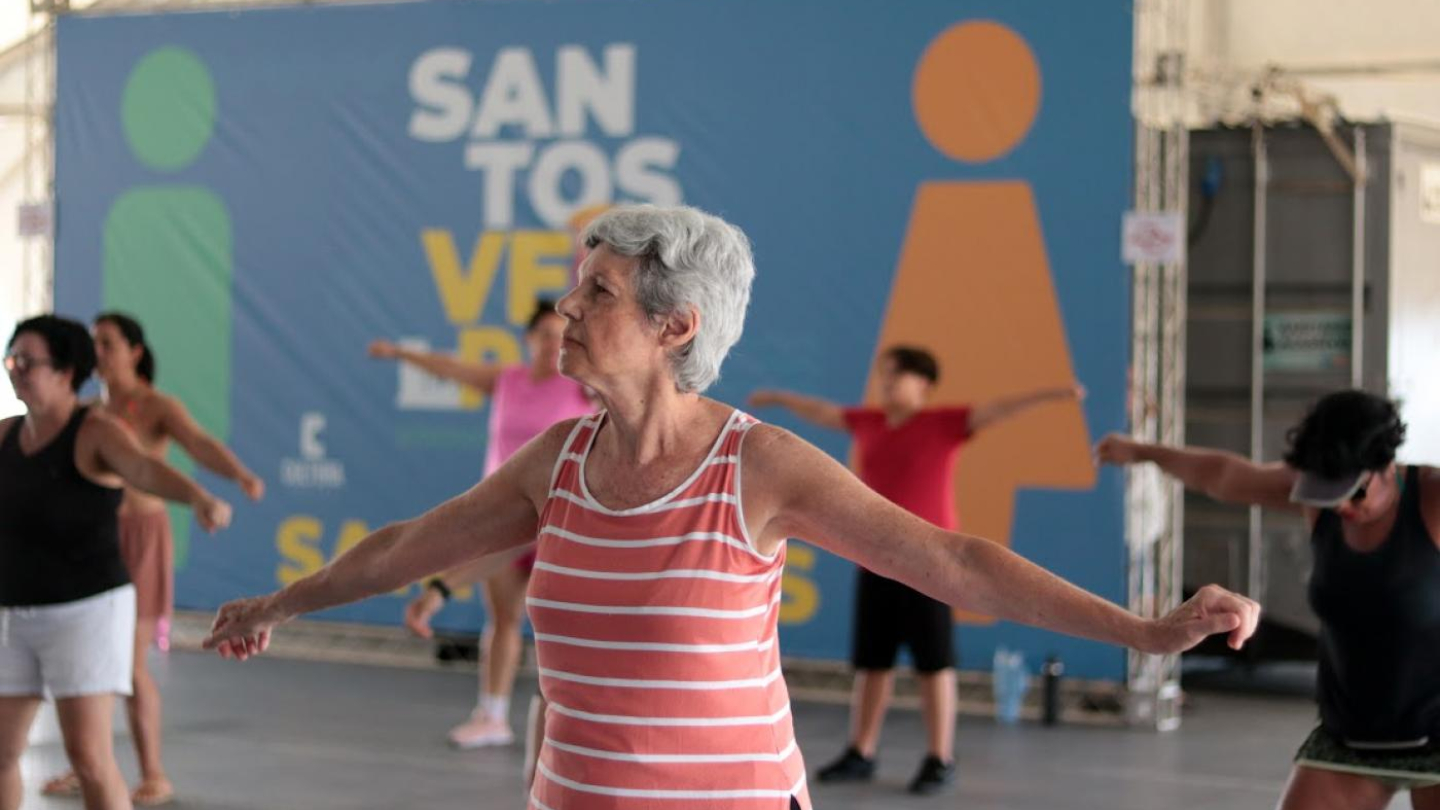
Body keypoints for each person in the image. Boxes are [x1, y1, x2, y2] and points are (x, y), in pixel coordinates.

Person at [203, 205, 1258, 810]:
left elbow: (959, 564)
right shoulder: (556, 463)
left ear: (675, 328)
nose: (566, 308)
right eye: (578, 289)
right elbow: (404, 550)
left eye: (597, 293)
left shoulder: (760, 469)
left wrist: (1146, 632)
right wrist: (280, 604)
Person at [1096, 389, 1440, 810]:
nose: (1343, 509)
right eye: (1327, 495)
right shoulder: (1322, 502)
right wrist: (1142, 451)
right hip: (1354, 734)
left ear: (1387, 466)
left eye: (1355, 493)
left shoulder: (1432, 499)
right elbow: (1224, 476)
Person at [749, 363, 1083, 793]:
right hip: (873, 562)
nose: (886, 382)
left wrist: (1054, 392)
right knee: (873, 665)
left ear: (923, 383)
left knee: (934, 665)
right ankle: (861, 752)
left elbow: (1000, 409)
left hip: (929, 568)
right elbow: (821, 411)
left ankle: (939, 758)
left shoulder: (944, 423)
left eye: (897, 375)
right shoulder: (868, 422)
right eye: (884, 375)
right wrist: (778, 398)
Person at [1, 315, 231, 810]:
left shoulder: (96, 432)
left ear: (65, 372)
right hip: (15, 614)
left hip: (85, 611)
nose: (15, 369)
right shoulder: (5, 436)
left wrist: (197, 497)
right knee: (1, 753)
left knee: (89, 757)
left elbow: (145, 469)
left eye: (27, 361)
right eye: (10, 359)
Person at [372, 300, 593, 748]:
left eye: (560, 335)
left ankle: (578, 724)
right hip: (506, 520)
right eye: (545, 335)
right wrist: (401, 354)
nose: (553, 343)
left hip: (560, 522)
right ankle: (492, 715)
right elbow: (450, 368)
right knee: (504, 619)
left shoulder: (583, 389)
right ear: (530, 340)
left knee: (572, 626)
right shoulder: (507, 380)